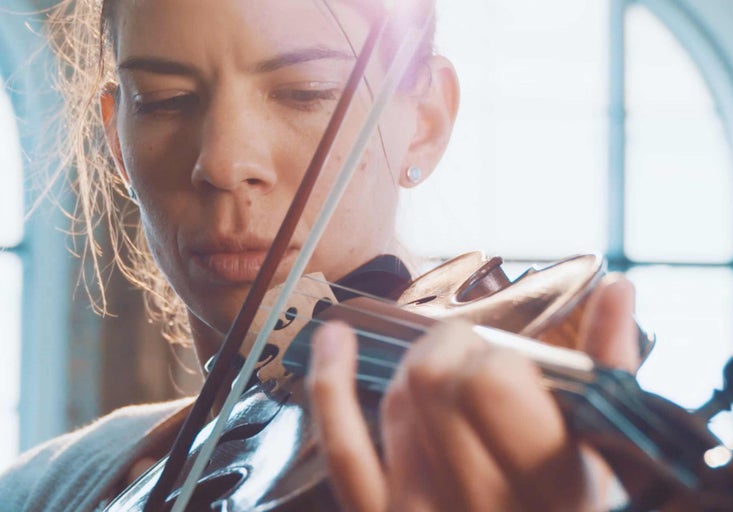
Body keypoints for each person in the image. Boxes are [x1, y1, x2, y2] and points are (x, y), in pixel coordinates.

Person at [0, 0, 640, 510]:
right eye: (165, 100)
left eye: (305, 91)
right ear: (117, 137)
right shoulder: (39, 489)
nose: (223, 163)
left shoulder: (535, 468)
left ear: (426, 119)